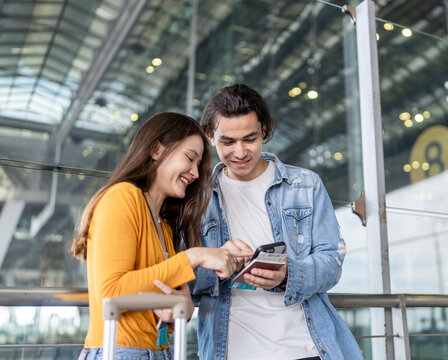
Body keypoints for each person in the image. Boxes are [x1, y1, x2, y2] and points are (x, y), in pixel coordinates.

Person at [191, 84, 364, 360]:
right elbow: (182, 279)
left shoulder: (306, 185)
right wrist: (216, 263)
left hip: (305, 348)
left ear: (264, 131)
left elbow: (332, 261)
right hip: (231, 350)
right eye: (228, 142)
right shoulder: (197, 199)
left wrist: (288, 274)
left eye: (250, 139)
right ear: (210, 136)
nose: (240, 152)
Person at [71, 112, 249, 360]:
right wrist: (194, 256)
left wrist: (182, 309)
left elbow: (160, 303)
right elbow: (111, 291)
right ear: (156, 149)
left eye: (198, 165)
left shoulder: (163, 226)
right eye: (189, 158)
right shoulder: (122, 197)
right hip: (119, 350)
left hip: (157, 351)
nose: (195, 173)